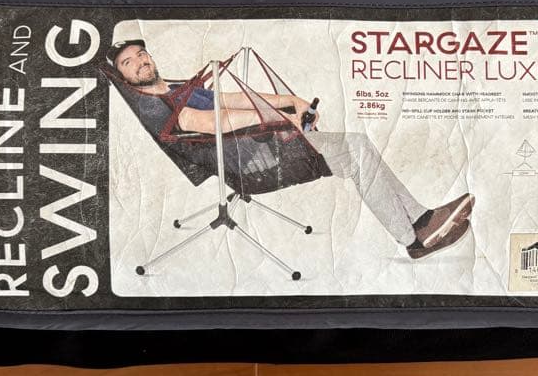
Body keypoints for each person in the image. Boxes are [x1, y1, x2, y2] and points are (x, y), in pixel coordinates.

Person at [106, 39, 475, 259]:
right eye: (128, 62)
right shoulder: (155, 106)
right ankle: (414, 239)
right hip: (255, 162)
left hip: (262, 145)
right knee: (356, 152)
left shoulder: (176, 88)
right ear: (123, 78)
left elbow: (233, 98)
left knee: (357, 149)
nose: (139, 62)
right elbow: (209, 122)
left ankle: (421, 222)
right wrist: (278, 118)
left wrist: (289, 102)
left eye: (141, 54)